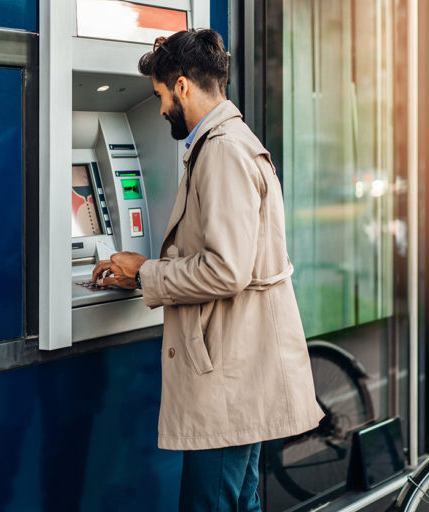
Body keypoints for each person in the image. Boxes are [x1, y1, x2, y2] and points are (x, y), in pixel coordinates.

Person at [91, 29, 324, 511]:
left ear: (181, 87)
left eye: (159, 96)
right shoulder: (227, 142)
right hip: (238, 363)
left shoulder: (222, 150)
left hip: (229, 372)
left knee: (212, 503)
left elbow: (226, 269)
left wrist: (144, 274)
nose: (158, 110)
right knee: (239, 501)